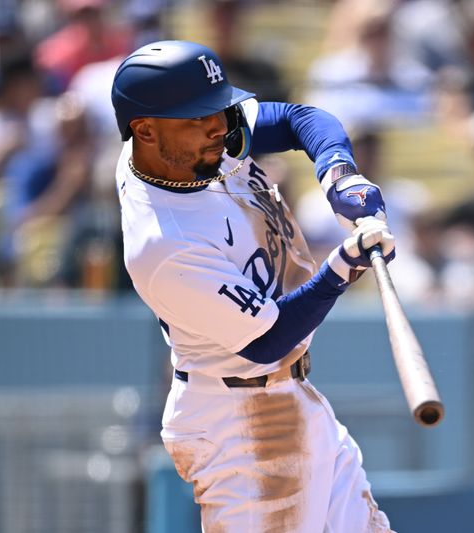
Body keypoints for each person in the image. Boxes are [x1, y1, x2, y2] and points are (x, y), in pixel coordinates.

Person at [110, 40, 395, 532]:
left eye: (217, 110)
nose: (218, 126)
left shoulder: (188, 150)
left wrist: (338, 174)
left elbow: (298, 119)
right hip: (240, 424)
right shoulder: (162, 243)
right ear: (145, 129)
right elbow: (268, 340)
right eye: (197, 117)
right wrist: (344, 265)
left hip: (291, 397)